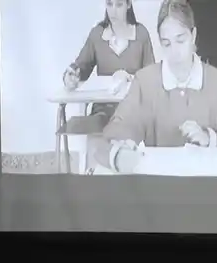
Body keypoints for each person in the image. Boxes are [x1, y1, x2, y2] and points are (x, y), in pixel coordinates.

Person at [91, 0, 217, 175]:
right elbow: (118, 128)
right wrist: (120, 150)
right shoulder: (146, 81)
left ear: (193, 35)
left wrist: (209, 138)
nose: (174, 52)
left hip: (204, 185)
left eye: (180, 41)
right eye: (167, 43)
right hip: (159, 186)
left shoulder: (215, 80)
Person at [61, 0, 157, 158]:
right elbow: (80, 67)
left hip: (133, 109)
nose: (113, 10)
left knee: (128, 141)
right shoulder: (98, 34)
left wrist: (130, 78)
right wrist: (70, 76)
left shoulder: (141, 34)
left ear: (128, 5)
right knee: (100, 138)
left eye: (119, 5)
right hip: (102, 110)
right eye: (109, 4)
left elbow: (151, 76)